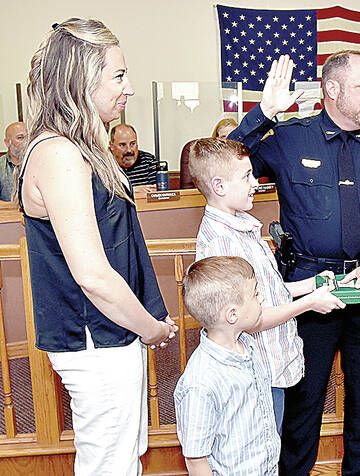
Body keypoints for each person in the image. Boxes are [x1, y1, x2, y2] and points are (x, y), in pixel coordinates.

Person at [229, 52, 360, 475]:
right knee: (304, 404)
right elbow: (223, 162)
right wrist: (262, 113)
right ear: (333, 90)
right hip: (306, 292)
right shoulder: (291, 138)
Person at [18, 18, 177, 475]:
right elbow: (92, 273)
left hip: (109, 335)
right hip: (93, 339)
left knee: (124, 458)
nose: (128, 88)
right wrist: (149, 327)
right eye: (119, 75)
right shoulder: (59, 153)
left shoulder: (82, 148)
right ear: (82, 79)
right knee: (109, 464)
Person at [188, 136, 345, 433]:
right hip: (254, 376)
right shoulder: (222, 242)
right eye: (246, 176)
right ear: (219, 186)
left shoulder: (243, 227)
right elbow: (252, 318)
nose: (255, 183)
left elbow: (270, 291)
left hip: (269, 370)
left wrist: (312, 284)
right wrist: (310, 303)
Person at [174, 255, 280, 475]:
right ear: (232, 314)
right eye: (255, 294)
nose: (261, 298)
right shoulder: (201, 383)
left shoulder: (247, 345)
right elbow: (196, 458)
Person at [109, 123, 159, 192]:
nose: (129, 150)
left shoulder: (149, 161)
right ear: (112, 146)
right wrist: (133, 191)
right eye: (122, 145)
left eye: (132, 144)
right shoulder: (104, 163)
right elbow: (104, 195)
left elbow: (157, 193)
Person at [0, 121, 27, 201]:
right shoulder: (1, 166)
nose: (26, 142)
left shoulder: (38, 164)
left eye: (28, 137)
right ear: (7, 142)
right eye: (20, 138)